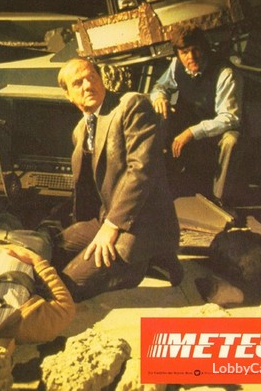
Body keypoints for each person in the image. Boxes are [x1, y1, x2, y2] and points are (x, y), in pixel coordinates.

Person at [55, 57, 182, 302]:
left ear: (101, 79)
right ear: (68, 95)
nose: (88, 85)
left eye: (91, 77)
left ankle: (138, 266)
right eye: (78, 83)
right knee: (52, 250)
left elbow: (142, 171)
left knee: (69, 285)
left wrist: (111, 227)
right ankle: (156, 260)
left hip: (142, 226)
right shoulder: (80, 131)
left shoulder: (131, 105)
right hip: (107, 219)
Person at [150, 25, 244, 207]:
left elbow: (230, 118)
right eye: (185, 52)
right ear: (178, 54)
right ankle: (164, 190)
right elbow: (160, 86)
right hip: (189, 126)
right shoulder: (177, 65)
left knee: (231, 140)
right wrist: (160, 97)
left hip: (218, 131)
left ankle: (219, 200)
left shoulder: (225, 73)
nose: (190, 57)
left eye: (195, 50)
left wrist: (192, 132)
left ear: (204, 48)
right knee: (159, 112)